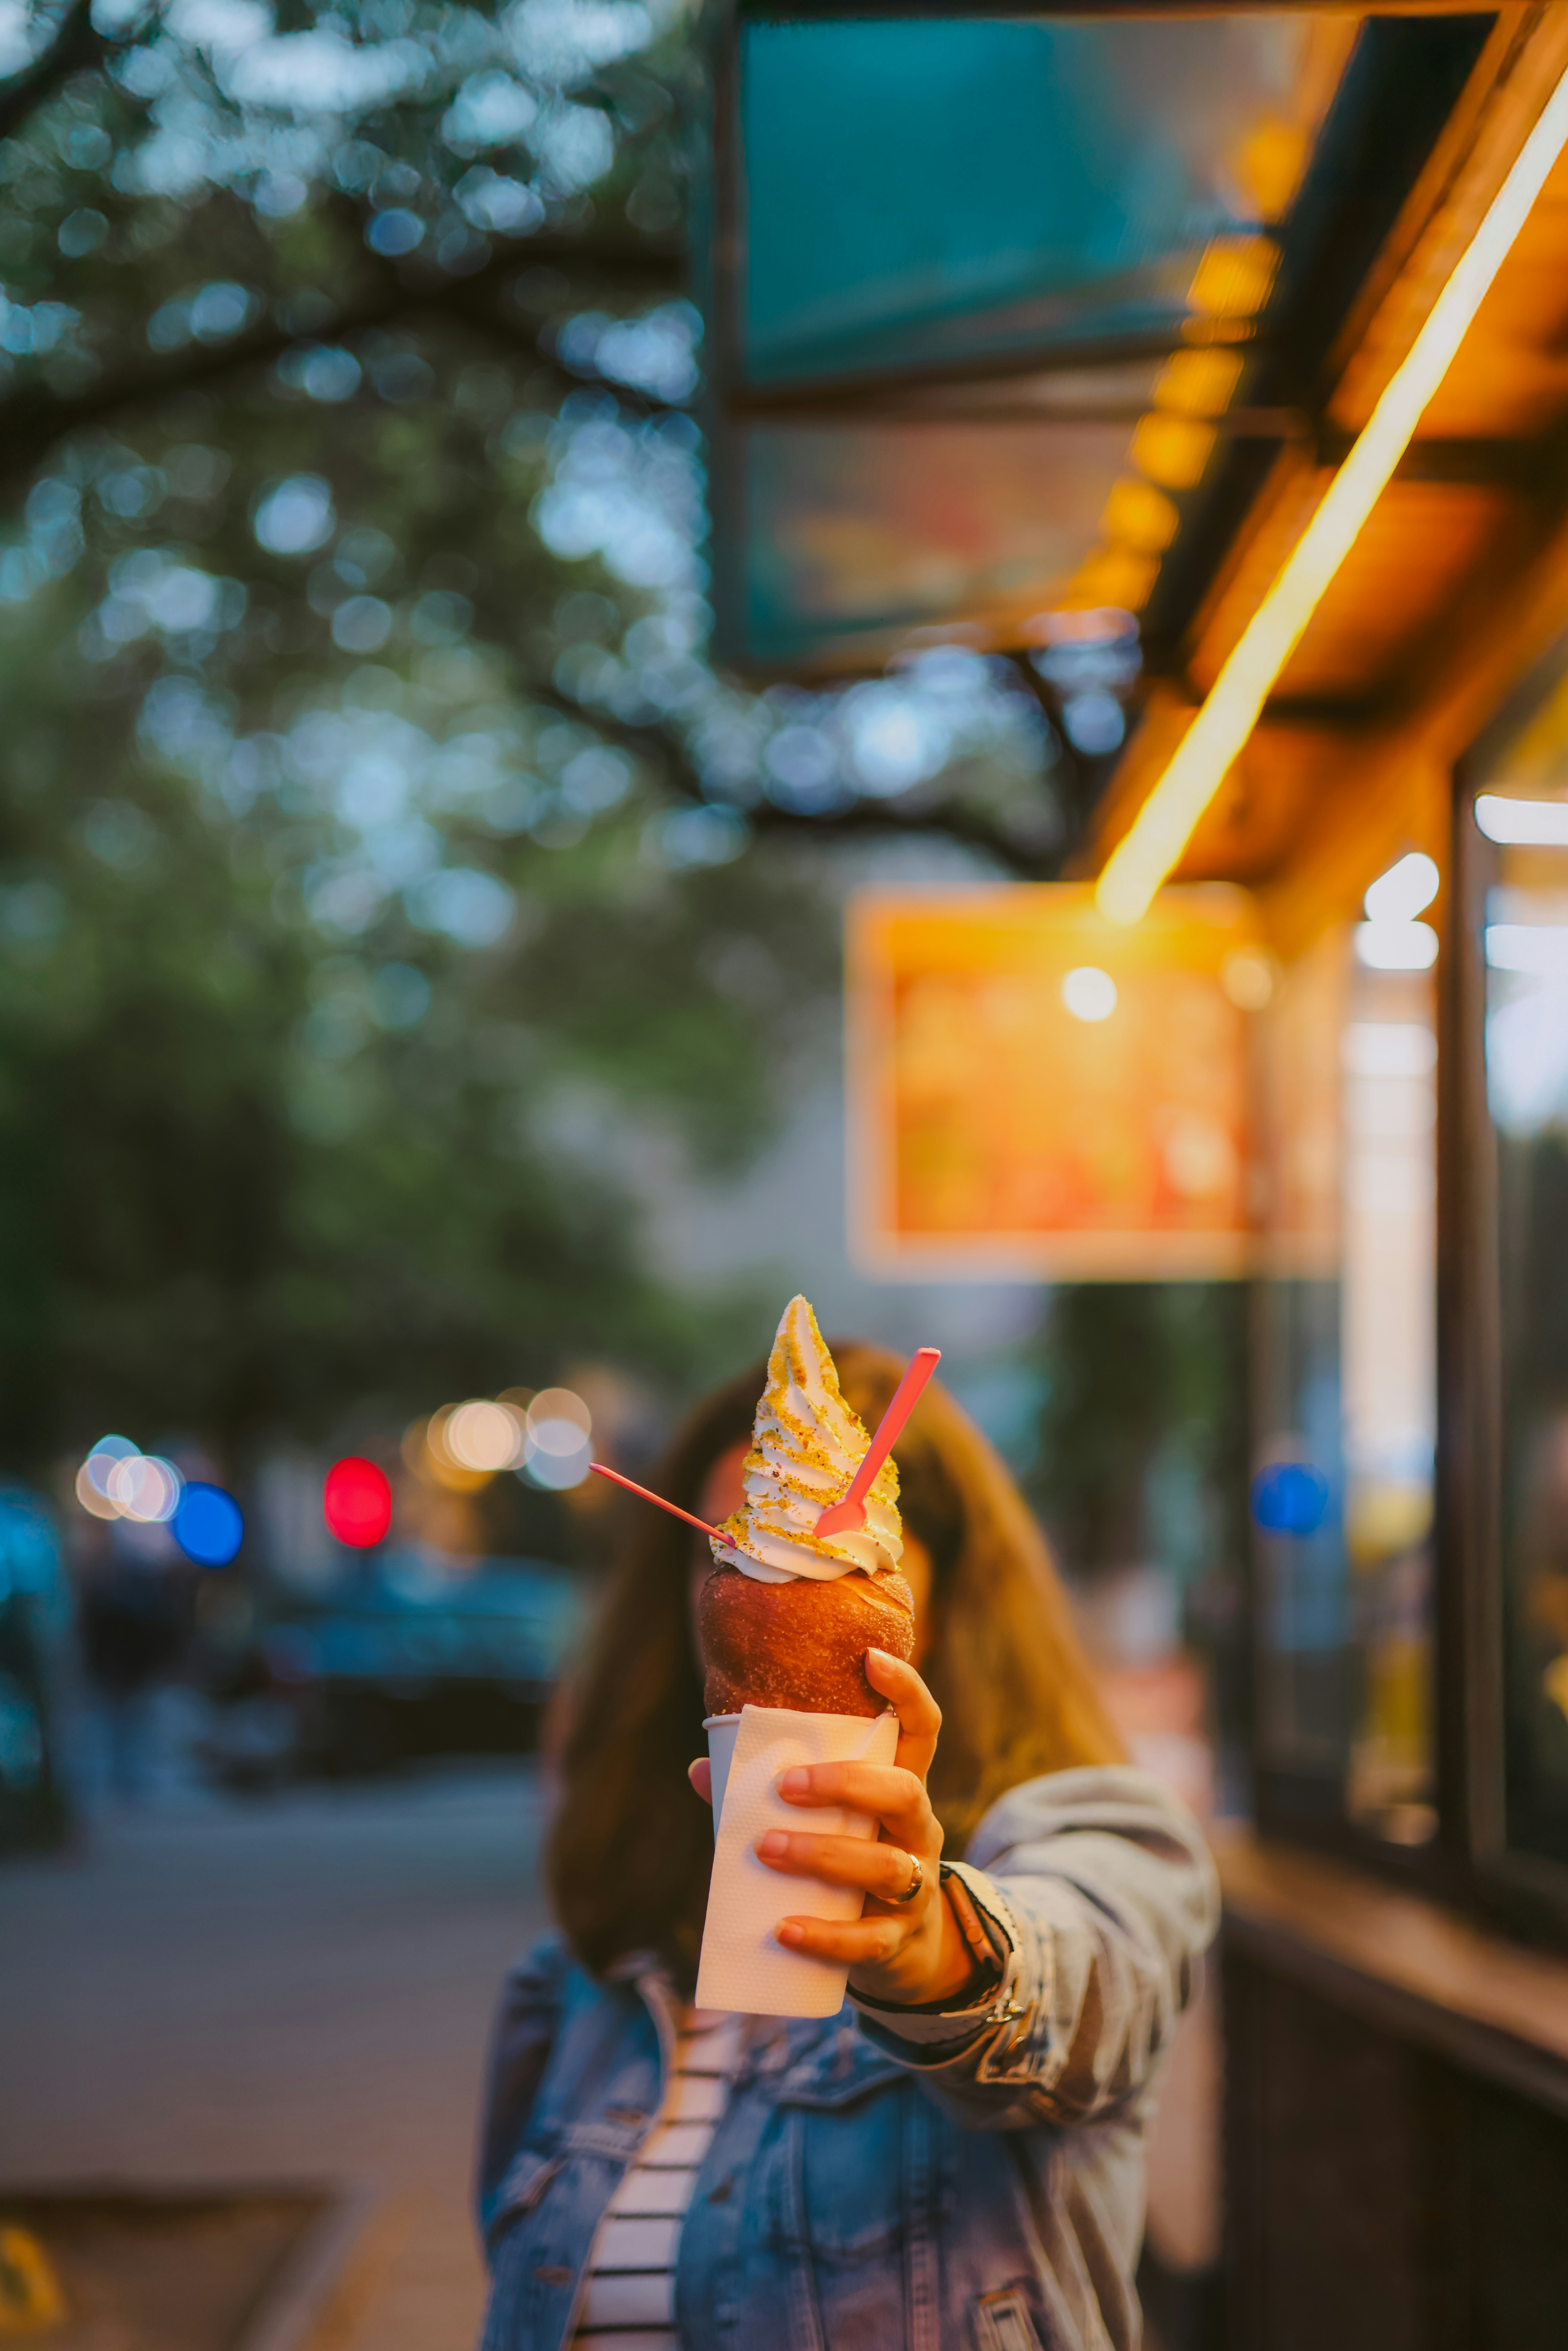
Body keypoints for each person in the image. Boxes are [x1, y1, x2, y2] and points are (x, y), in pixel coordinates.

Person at [477, 1343, 1219, 2351]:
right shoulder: (578, 1991)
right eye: (739, 1545)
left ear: (942, 1583)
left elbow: (1090, 1976)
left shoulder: (1087, 1832)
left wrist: (931, 1952)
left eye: (823, 1551)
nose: (777, 1577)